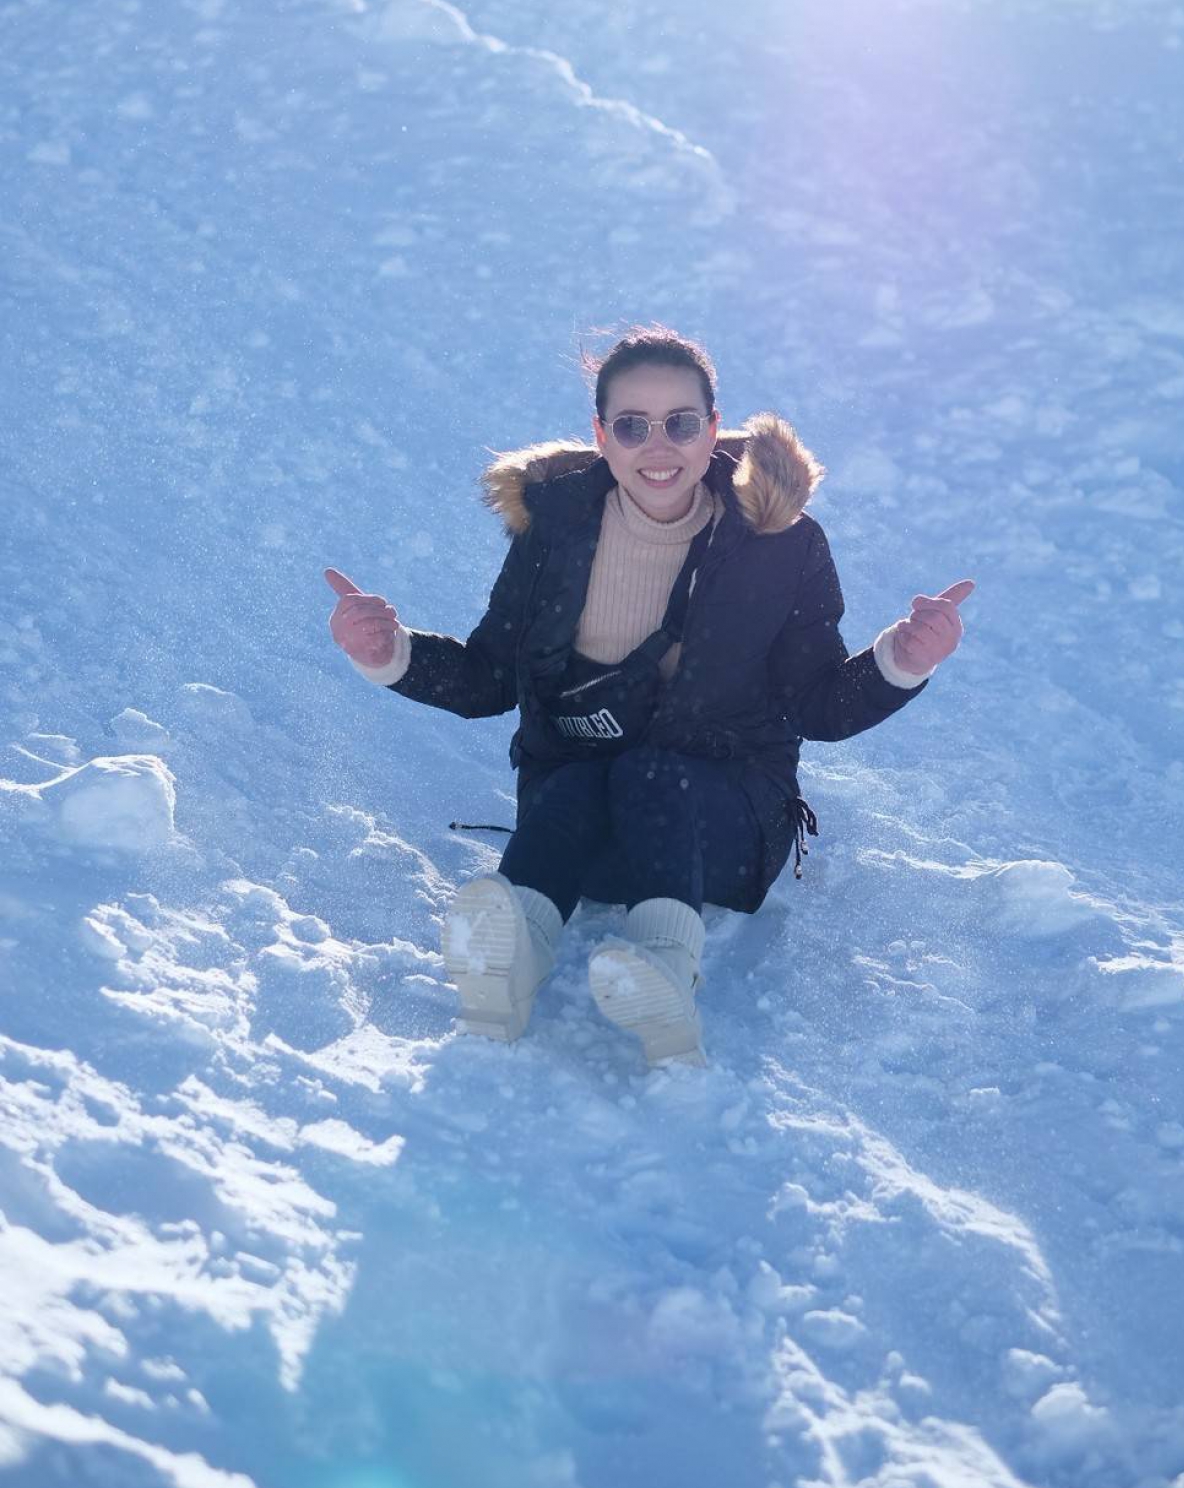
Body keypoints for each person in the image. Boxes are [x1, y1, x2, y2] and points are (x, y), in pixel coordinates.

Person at [325, 327, 973, 1067]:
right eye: (632, 425)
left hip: (724, 834)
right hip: (584, 833)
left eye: (681, 423)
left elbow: (816, 705)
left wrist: (901, 661)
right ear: (601, 435)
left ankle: (663, 975)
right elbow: (490, 676)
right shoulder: (556, 530)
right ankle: (505, 968)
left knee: (647, 773)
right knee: (575, 785)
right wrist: (390, 654)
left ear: (714, 430)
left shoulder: (780, 544)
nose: (657, 447)